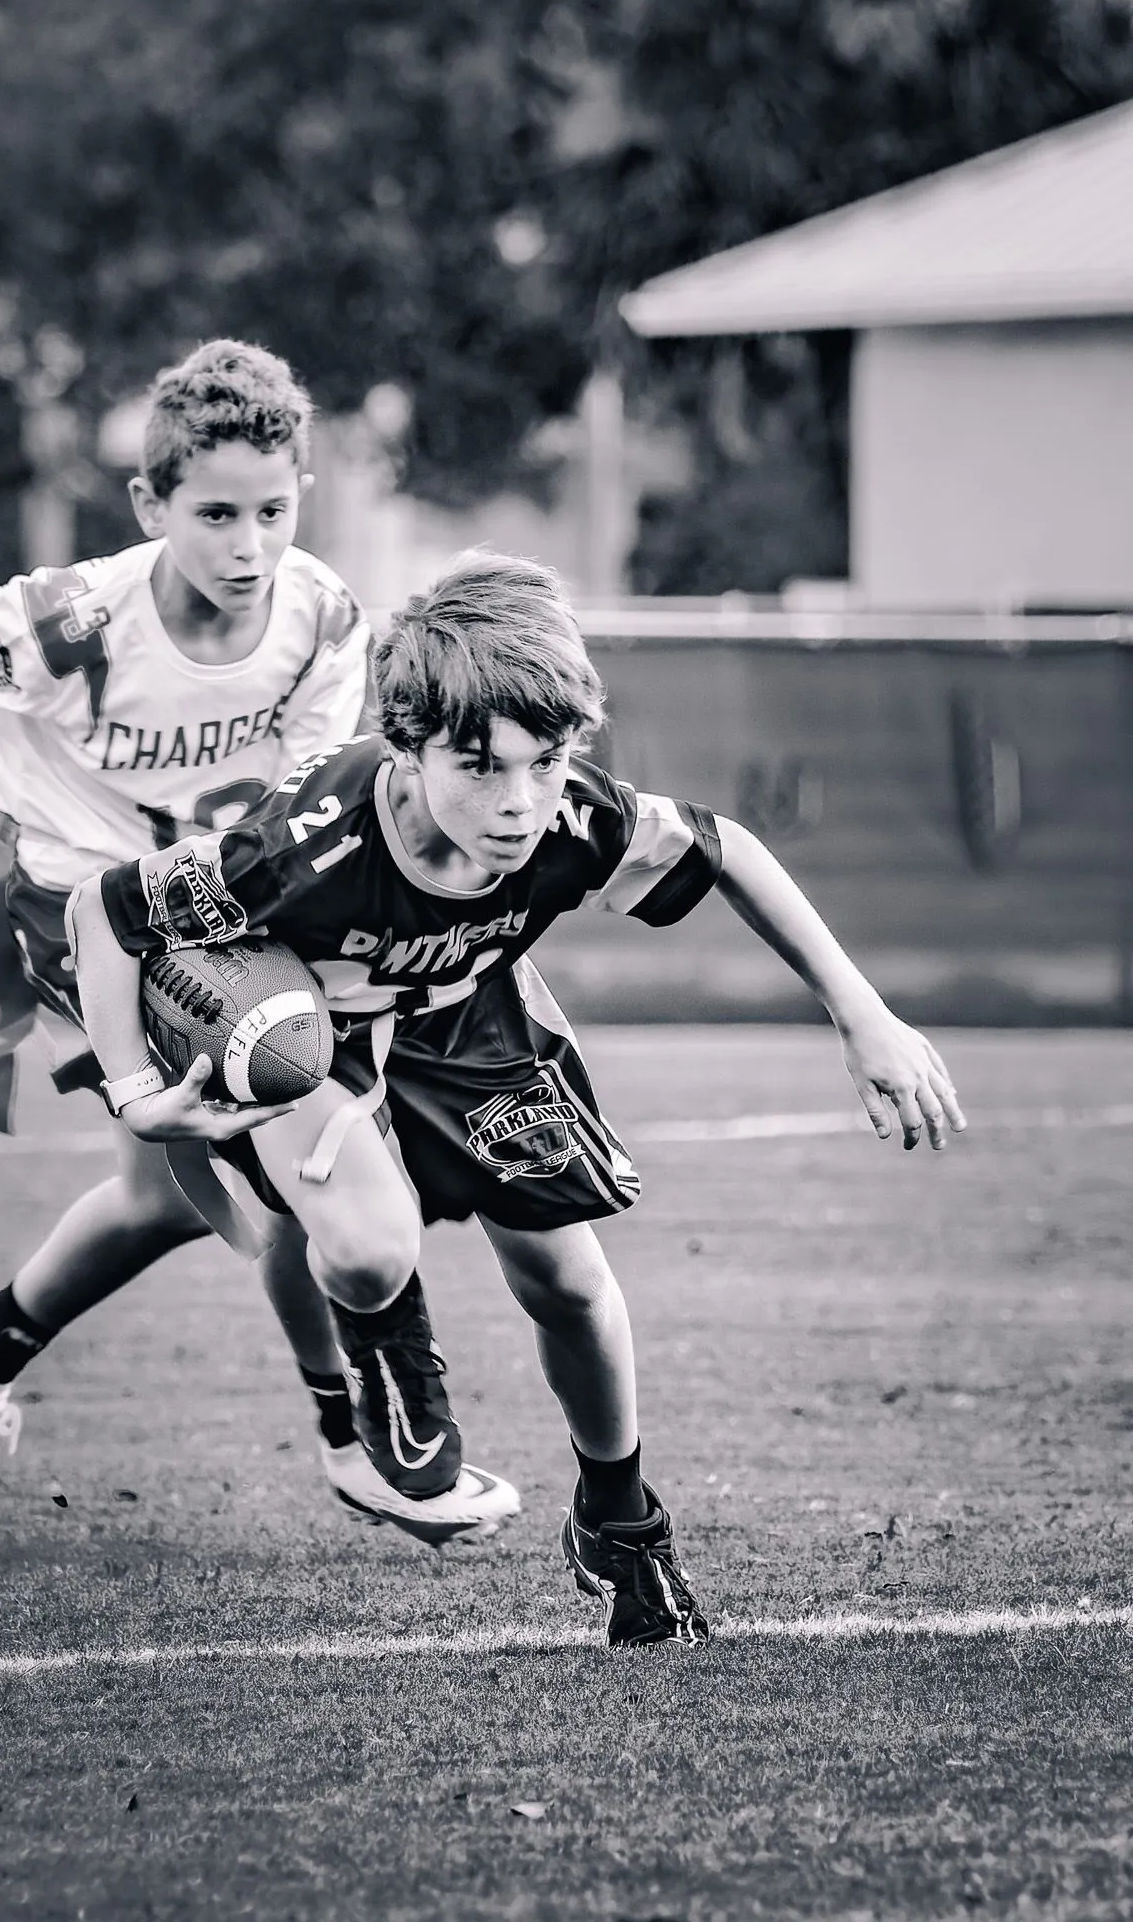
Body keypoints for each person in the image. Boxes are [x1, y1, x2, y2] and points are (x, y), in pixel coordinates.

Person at [66, 552, 966, 1648]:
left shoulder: (573, 819)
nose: (518, 801)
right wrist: (131, 1090)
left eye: (545, 762)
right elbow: (105, 911)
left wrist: (862, 1014)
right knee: (366, 1241)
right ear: (407, 743)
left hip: (471, 1013)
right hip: (310, 1027)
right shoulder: (306, 845)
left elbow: (729, 847)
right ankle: (395, 1380)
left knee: (573, 1287)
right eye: (479, 766)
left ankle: (621, 1521)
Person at [0, 340, 519, 1549]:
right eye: (215, 513)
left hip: (217, 909)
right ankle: (356, 1441)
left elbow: (303, 797)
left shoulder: (321, 613)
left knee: (159, 1197)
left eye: (273, 507)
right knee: (285, 1146)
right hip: (75, 907)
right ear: (151, 505)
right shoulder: (75, 619)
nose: (248, 543)